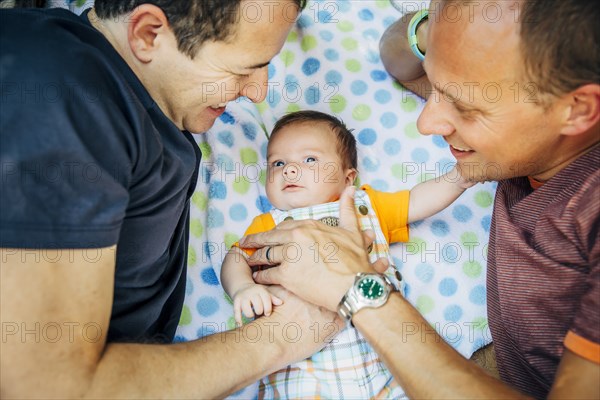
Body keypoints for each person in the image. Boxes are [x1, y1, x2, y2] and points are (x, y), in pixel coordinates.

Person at [239, 0, 600, 398]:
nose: (426, 123)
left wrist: (359, 289)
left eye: (464, 107)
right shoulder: (531, 118)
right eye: (435, 85)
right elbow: (396, 54)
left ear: (579, 110)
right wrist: (456, 28)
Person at [0, 1, 350, 398]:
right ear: (148, 33)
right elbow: (48, 389)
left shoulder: (138, 89)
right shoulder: (55, 96)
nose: (258, 92)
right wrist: (283, 336)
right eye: (242, 69)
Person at [221, 110, 473, 398]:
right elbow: (236, 257)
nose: (289, 170)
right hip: (304, 367)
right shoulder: (270, 224)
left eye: (310, 160)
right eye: (278, 163)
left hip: (382, 354)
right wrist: (242, 287)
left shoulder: (366, 205)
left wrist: (460, 178)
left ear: (347, 177)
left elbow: (416, 202)